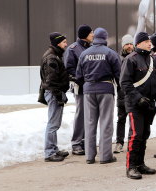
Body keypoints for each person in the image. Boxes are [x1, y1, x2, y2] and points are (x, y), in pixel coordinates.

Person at [120, 32, 156, 180]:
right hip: (135, 105)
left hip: (149, 105)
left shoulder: (153, 60)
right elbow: (124, 83)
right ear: (138, 43)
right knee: (136, 135)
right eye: (146, 41)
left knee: (145, 135)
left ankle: (140, 164)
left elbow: (155, 82)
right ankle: (131, 166)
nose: (149, 43)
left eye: (149, 41)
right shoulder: (130, 60)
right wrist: (138, 98)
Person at [76, 28, 121, 164]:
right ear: (105, 39)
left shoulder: (85, 54)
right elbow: (119, 74)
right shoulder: (110, 53)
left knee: (90, 123)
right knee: (106, 123)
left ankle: (89, 156)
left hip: (88, 90)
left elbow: (79, 75)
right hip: (106, 90)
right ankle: (105, 156)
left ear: (94, 38)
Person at [39, 32, 70, 162]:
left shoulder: (55, 56)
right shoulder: (51, 58)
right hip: (53, 93)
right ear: (57, 43)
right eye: (64, 42)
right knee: (52, 123)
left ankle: (54, 149)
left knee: (55, 123)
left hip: (54, 93)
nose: (66, 44)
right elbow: (51, 81)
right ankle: (50, 153)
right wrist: (59, 96)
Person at [64, 25, 93, 155]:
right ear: (84, 35)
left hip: (91, 87)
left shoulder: (91, 48)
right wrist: (81, 79)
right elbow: (69, 69)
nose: (93, 35)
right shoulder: (73, 49)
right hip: (80, 87)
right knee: (81, 114)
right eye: (91, 33)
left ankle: (85, 142)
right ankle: (76, 144)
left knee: (90, 115)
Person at [114, 34, 134, 154]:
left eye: (131, 44)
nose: (129, 46)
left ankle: (132, 141)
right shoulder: (118, 59)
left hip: (133, 94)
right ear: (123, 45)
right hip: (122, 94)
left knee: (133, 119)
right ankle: (119, 143)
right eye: (127, 44)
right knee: (121, 119)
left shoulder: (137, 57)